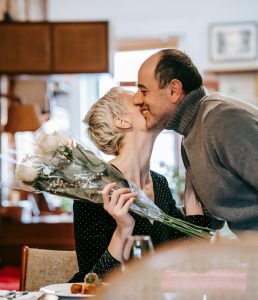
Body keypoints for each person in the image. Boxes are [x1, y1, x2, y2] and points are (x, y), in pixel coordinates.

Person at [70, 87, 210, 282]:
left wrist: (192, 195)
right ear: (122, 121)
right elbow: (91, 281)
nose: (148, 103)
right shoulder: (94, 187)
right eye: (138, 102)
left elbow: (194, 262)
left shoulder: (159, 184)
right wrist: (123, 230)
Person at [134, 48, 258, 234]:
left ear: (174, 90)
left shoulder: (221, 119)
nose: (137, 99)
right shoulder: (191, 134)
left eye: (143, 91)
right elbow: (208, 217)